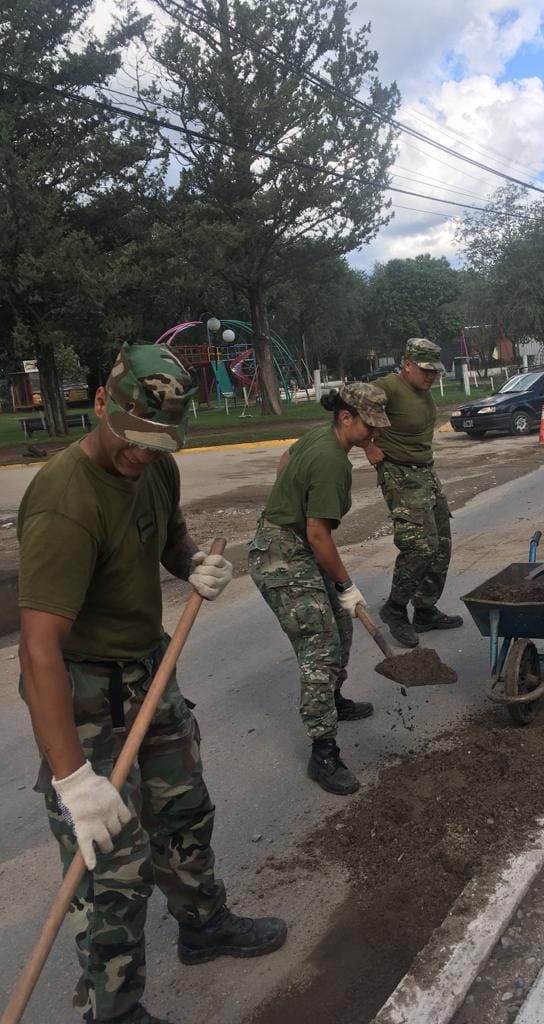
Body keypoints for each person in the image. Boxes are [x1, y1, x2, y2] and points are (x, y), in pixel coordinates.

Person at [16, 343, 287, 1024]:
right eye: (134, 436)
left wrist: (195, 565)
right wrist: (74, 778)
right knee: (113, 862)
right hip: (84, 693)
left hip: (150, 667)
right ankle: (116, 1009)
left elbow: (170, 540)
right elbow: (38, 651)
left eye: (160, 440)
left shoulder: (156, 465)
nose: (144, 453)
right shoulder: (63, 502)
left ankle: (202, 925)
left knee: (184, 812)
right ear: (102, 404)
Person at [249, 383, 390, 796]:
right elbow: (318, 534)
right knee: (321, 645)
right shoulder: (333, 462)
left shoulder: (320, 437)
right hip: (281, 554)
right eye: (370, 426)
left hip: (292, 542)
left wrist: (289, 499)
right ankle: (323, 752)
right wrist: (346, 585)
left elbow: (285, 460)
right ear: (346, 417)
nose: (374, 435)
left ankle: (333, 698)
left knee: (342, 629)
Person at [363, 338, 463, 648]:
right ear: (408, 364)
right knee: (420, 546)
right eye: (425, 370)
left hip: (426, 474)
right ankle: (395, 609)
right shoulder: (387, 388)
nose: (431, 377)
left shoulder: (421, 392)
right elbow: (346, 411)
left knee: (441, 544)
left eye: (435, 371)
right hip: (400, 475)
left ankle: (424, 610)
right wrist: (367, 446)